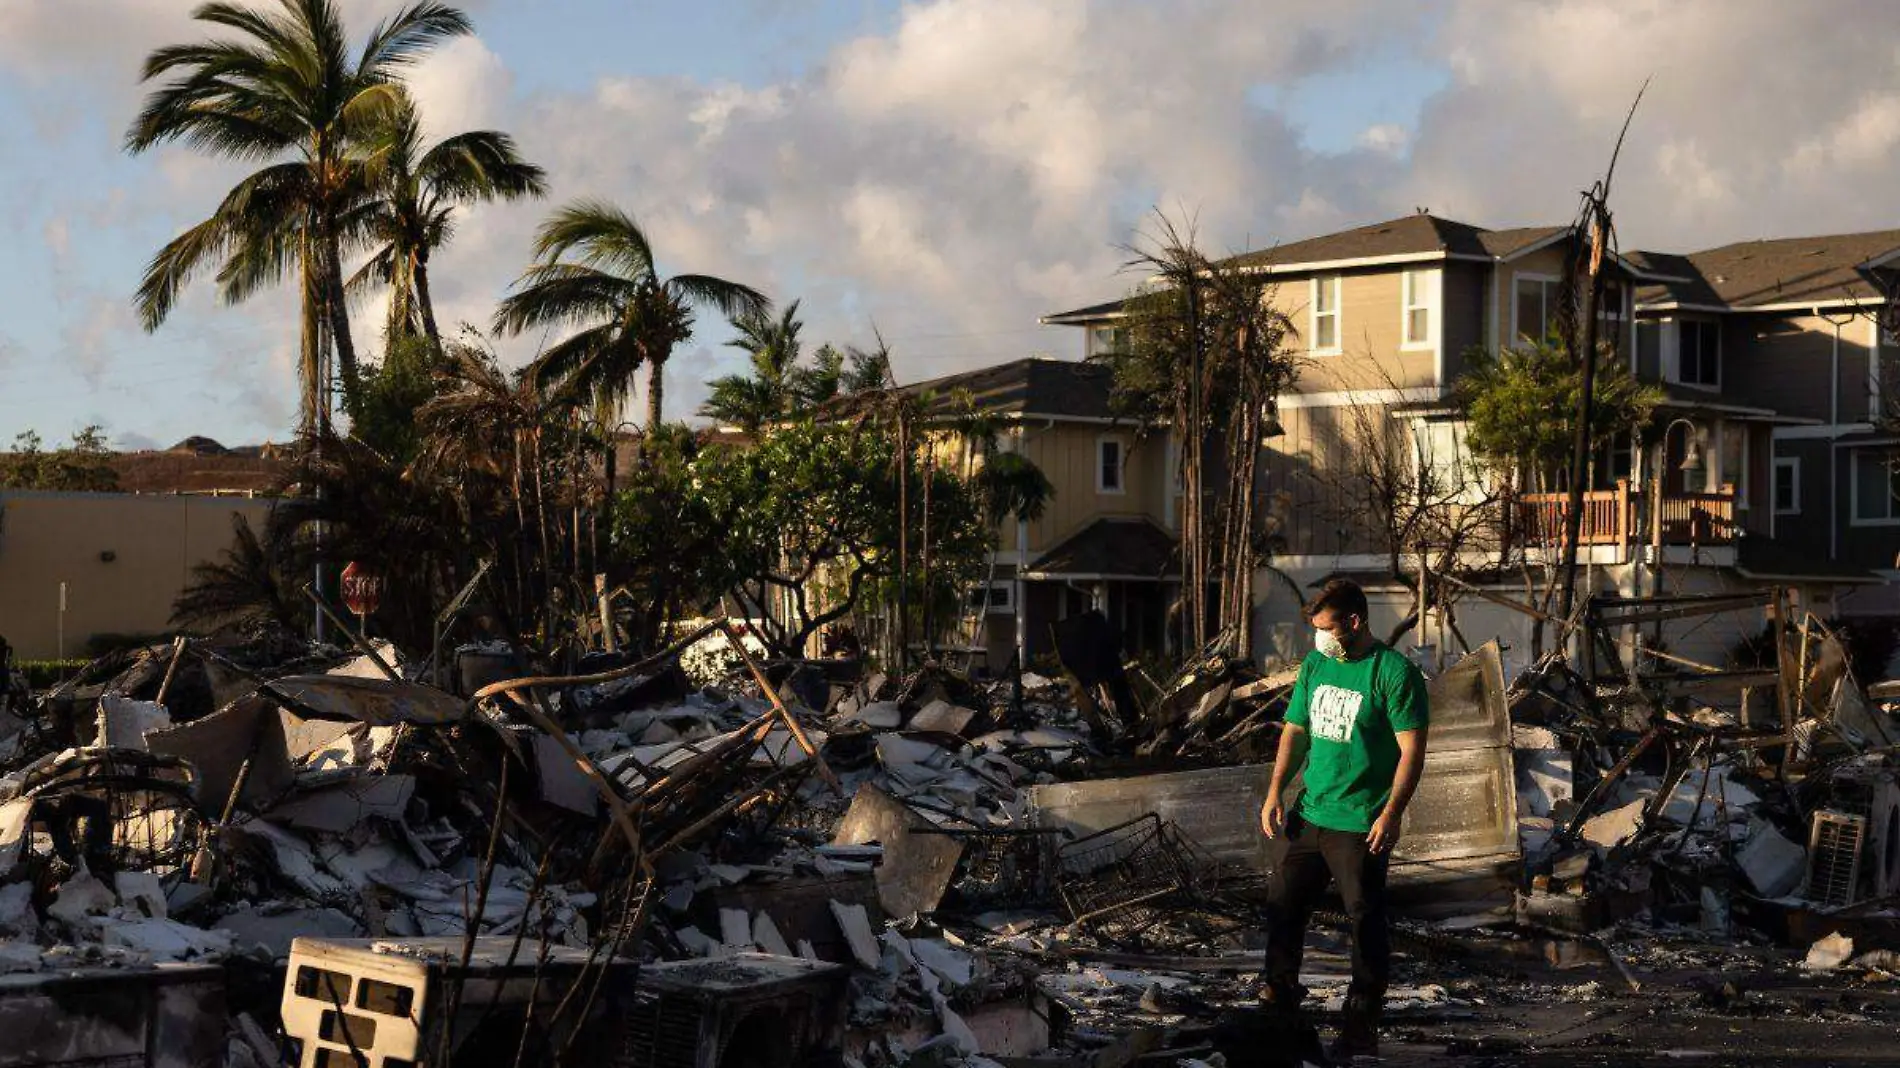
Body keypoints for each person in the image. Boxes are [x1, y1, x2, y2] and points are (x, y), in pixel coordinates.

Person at [1258, 578, 1429, 1062]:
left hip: (1360, 822)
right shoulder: (1316, 663)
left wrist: (1392, 813)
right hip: (1310, 812)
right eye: (1315, 629)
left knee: (1364, 922)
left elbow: (1411, 752)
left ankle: (1360, 1025)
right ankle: (1280, 1005)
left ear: (1354, 622)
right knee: (1282, 909)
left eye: (1327, 628)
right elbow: (1295, 730)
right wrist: (1276, 791)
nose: (1320, 638)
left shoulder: (1393, 673)